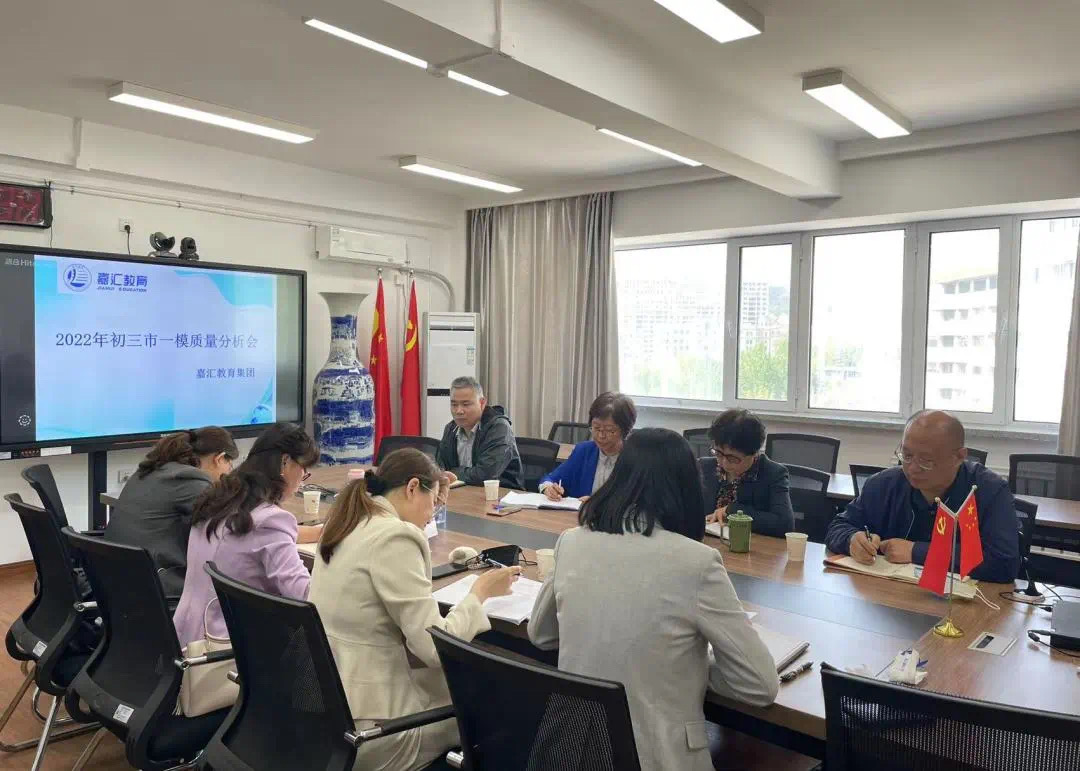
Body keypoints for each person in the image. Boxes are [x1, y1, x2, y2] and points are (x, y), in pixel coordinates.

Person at [528, 428, 778, 771]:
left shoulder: (572, 541)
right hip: (657, 756)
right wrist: (684, 660)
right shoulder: (696, 562)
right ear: (687, 488)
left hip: (573, 751)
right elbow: (760, 685)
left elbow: (541, 634)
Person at [310, 449, 519, 771]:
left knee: (467, 685)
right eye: (433, 502)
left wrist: (434, 490)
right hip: (374, 730)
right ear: (411, 488)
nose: (431, 515)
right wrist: (480, 593)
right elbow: (435, 648)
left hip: (328, 709)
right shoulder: (395, 536)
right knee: (501, 702)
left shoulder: (349, 521)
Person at [824, 410, 1020, 583]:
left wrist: (915, 552)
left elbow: (1004, 562)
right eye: (907, 456)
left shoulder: (989, 491)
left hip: (960, 604)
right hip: (889, 596)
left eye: (926, 461)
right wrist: (851, 540)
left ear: (959, 457)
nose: (913, 468)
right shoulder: (883, 485)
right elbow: (838, 526)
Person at [173, 422, 320, 647]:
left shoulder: (216, 499)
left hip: (185, 639)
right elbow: (304, 597)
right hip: (228, 650)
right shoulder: (271, 520)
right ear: (285, 462)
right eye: (303, 470)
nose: (302, 480)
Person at [104, 427, 238, 600]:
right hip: (153, 587)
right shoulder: (191, 481)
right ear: (218, 459)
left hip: (116, 579)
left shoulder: (152, 470)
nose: (229, 471)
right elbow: (229, 523)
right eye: (229, 464)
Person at [699, 410, 794, 537]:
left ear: (754, 453)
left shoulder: (773, 474)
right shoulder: (704, 467)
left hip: (750, 545)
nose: (724, 463)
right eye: (718, 453)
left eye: (733, 458)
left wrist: (732, 510)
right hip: (706, 542)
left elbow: (784, 524)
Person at [539, 392, 636, 501]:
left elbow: (640, 502)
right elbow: (550, 478)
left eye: (610, 430)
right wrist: (548, 488)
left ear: (626, 430)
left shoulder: (636, 459)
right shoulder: (584, 451)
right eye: (596, 428)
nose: (601, 436)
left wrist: (598, 504)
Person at [435, 376, 524, 490]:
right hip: (463, 492)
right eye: (454, 405)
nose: (459, 411)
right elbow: (439, 469)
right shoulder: (450, 428)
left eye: (466, 404)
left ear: (482, 403)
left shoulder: (499, 428)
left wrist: (452, 473)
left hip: (502, 494)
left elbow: (485, 475)